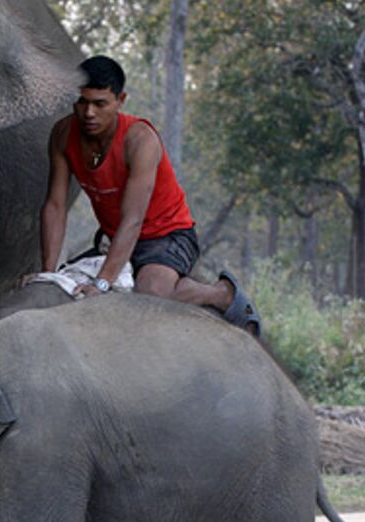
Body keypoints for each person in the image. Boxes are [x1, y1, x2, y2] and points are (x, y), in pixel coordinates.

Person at [39, 55, 260, 334]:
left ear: (121, 100)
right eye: (82, 102)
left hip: (166, 235)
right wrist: (47, 273)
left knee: (149, 297)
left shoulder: (140, 140)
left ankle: (220, 293)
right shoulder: (62, 134)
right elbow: (55, 205)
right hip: (112, 237)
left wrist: (102, 283)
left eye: (100, 104)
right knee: (62, 288)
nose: (89, 113)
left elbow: (133, 219)